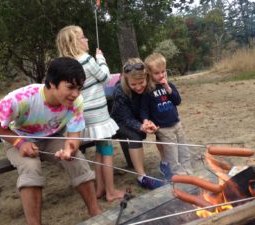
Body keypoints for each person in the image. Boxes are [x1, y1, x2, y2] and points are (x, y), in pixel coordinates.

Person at [0, 57, 102, 225]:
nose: (76, 94)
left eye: (79, 88)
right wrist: (20, 143)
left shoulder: (76, 102)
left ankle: (96, 213)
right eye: (70, 87)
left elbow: (74, 135)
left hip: (50, 137)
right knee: (31, 168)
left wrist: (70, 149)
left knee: (77, 160)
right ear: (52, 83)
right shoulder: (22, 98)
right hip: (18, 137)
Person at [56, 25, 124, 202]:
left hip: (83, 115)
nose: (87, 40)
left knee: (100, 149)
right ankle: (111, 191)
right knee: (107, 149)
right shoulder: (86, 59)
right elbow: (105, 78)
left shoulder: (67, 64)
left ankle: (100, 188)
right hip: (98, 114)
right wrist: (100, 58)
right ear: (74, 42)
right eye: (83, 37)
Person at [110, 58, 165, 190]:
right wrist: (141, 126)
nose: (139, 87)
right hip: (119, 122)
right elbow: (125, 117)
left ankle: (165, 162)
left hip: (140, 118)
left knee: (161, 126)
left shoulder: (150, 86)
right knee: (135, 135)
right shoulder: (119, 91)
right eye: (133, 84)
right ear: (126, 80)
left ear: (146, 77)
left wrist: (148, 121)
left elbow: (147, 107)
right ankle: (142, 177)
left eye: (141, 83)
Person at [141, 52, 192, 180]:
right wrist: (146, 121)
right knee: (172, 154)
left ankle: (189, 172)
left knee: (183, 150)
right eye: (157, 73)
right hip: (163, 128)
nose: (161, 75)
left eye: (163, 71)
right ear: (149, 74)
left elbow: (177, 101)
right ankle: (179, 176)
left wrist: (168, 88)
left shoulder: (169, 86)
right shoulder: (148, 91)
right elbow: (144, 110)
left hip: (176, 123)